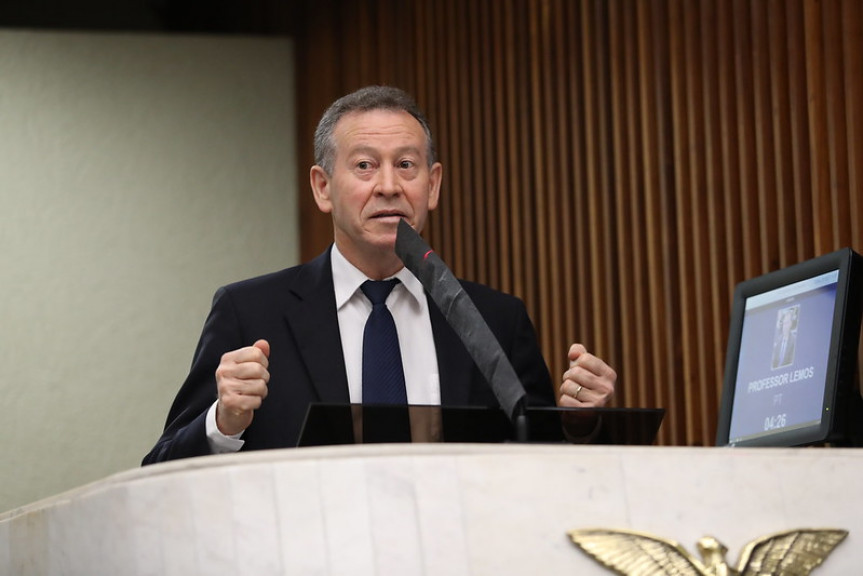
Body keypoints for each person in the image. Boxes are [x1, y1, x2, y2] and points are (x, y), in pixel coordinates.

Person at [142, 86, 616, 465]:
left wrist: (579, 427)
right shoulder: (251, 312)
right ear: (323, 187)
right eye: (365, 166)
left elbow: (539, 467)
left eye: (406, 166)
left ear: (431, 186)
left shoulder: (495, 318)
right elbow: (160, 468)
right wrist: (224, 421)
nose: (388, 186)